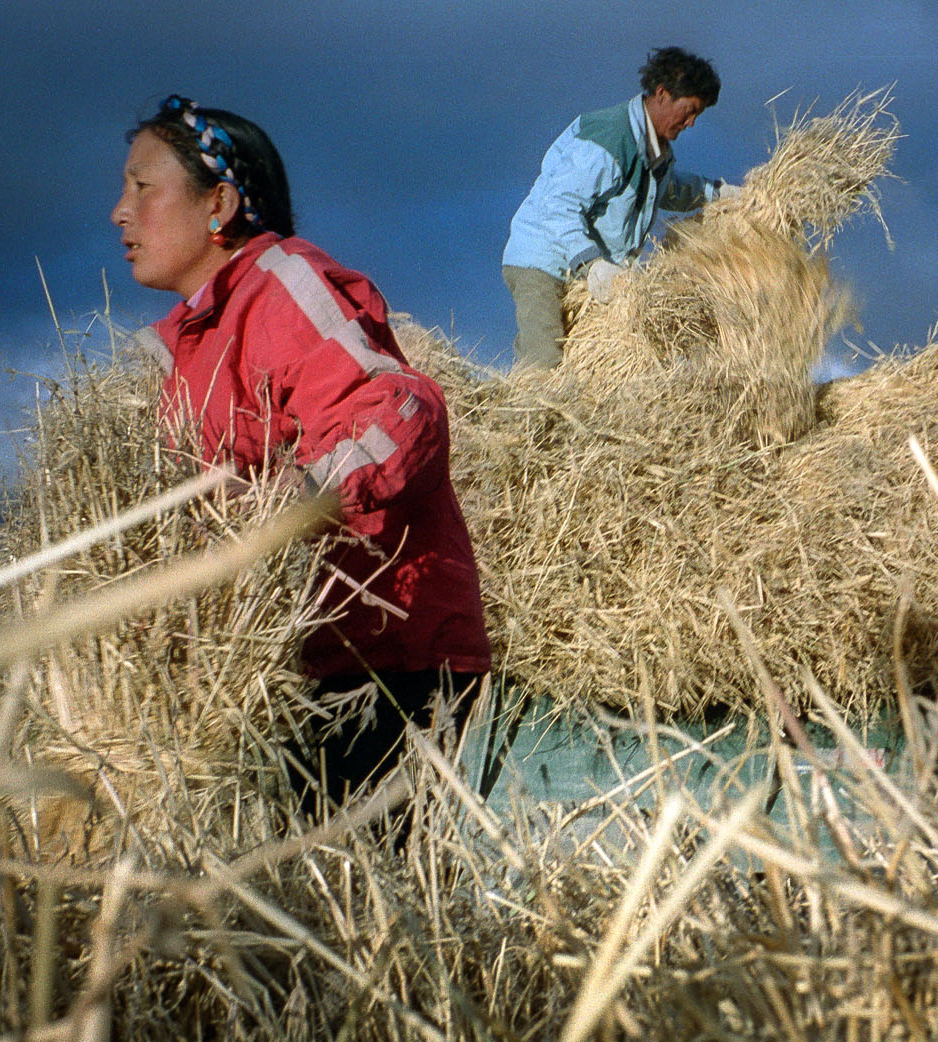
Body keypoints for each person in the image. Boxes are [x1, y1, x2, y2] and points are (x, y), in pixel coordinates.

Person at [113, 95, 494, 827]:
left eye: (141, 186)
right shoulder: (191, 345)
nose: (119, 213)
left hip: (388, 667)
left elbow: (399, 407)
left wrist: (293, 504)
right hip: (292, 673)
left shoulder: (281, 283)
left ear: (219, 202)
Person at [502, 46, 736, 369]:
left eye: (699, 115)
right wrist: (592, 264)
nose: (692, 122)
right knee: (544, 361)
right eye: (690, 110)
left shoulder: (654, 152)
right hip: (543, 260)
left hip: (586, 273)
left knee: (589, 369)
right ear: (662, 93)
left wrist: (722, 195)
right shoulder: (612, 138)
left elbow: (671, 190)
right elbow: (558, 205)